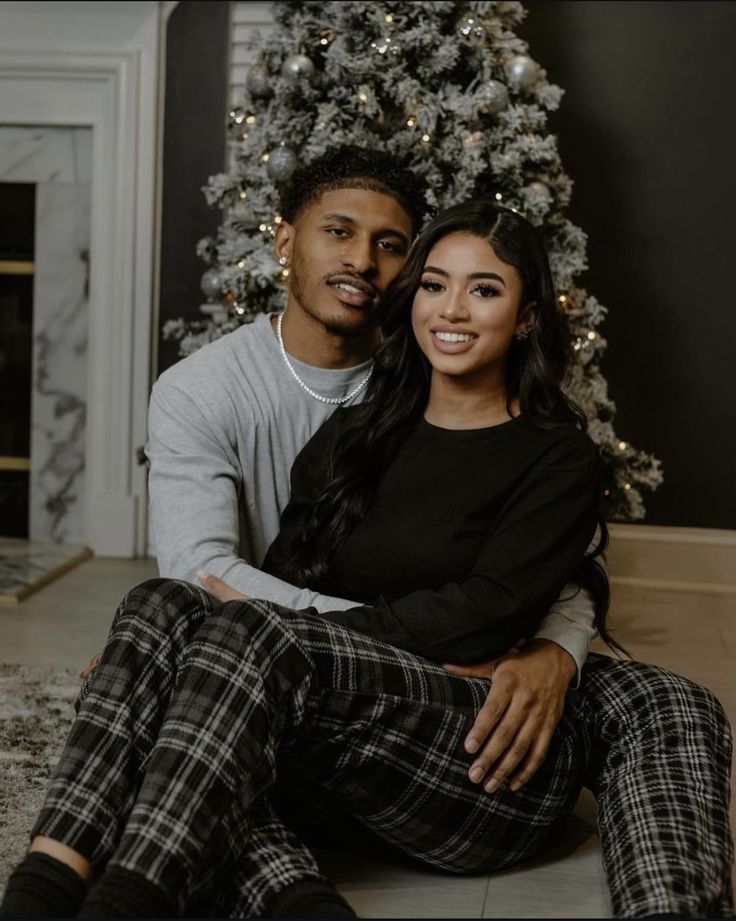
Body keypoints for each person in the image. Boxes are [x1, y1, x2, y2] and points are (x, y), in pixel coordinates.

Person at [1, 199, 732, 920]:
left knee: (243, 634)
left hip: (481, 758)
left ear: (529, 315)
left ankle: (132, 903)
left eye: (484, 289)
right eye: (436, 284)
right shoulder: (356, 434)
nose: (452, 309)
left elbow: (484, 614)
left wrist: (290, 641)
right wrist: (205, 649)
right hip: (343, 746)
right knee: (159, 604)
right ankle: (46, 887)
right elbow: (286, 583)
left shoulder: (557, 456)